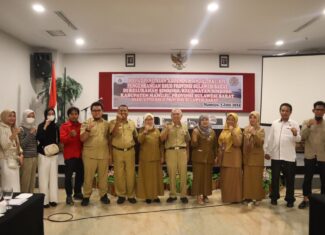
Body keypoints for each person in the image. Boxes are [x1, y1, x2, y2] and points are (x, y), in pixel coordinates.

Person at [265, 103, 301, 208]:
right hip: (276, 156)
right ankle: (274, 197)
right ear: (280, 111)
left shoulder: (294, 123)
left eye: (287, 111)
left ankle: (290, 200)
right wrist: (268, 151)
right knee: (275, 178)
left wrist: (295, 133)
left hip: (289, 157)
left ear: (290, 112)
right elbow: (270, 138)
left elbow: (298, 139)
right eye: (282, 110)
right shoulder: (275, 123)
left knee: (290, 180)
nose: (284, 112)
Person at [80, 102, 110, 206]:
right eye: (94, 110)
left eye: (99, 110)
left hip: (103, 154)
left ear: (102, 111)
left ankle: (103, 195)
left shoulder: (107, 124)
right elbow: (82, 139)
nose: (96, 112)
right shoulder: (86, 123)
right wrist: (88, 129)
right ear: (91, 112)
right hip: (89, 155)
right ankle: (86, 196)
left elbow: (109, 140)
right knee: (88, 177)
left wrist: (110, 155)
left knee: (103, 177)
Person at [160, 108, 191, 204]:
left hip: (182, 152)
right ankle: (172, 195)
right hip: (170, 152)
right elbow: (161, 139)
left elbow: (187, 141)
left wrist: (188, 153)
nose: (176, 116)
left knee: (183, 174)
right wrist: (167, 130)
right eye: (174, 114)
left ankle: (183, 195)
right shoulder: (167, 126)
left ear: (181, 116)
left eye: (178, 114)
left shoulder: (185, 126)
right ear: (171, 116)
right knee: (172, 174)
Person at [298, 101, 325, 209]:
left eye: (321, 110)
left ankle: (323, 200)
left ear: (324, 112)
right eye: (317, 109)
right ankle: (306, 199)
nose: (319, 111)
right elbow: (303, 137)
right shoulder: (306, 122)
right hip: (309, 156)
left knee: (324, 179)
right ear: (313, 110)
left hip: (323, 157)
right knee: (307, 179)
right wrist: (308, 126)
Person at [109, 104, 138, 204]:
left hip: (130, 151)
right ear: (117, 112)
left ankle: (131, 195)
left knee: (131, 174)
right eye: (121, 111)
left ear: (128, 112)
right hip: (117, 151)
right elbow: (113, 135)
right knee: (119, 174)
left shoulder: (132, 123)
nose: (123, 112)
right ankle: (121, 195)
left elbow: (136, 136)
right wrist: (118, 122)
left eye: (125, 110)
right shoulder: (112, 122)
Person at [136, 113, 164, 203]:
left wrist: (162, 156)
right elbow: (139, 140)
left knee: (156, 178)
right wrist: (145, 132)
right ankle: (148, 196)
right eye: (147, 119)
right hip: (145, 159)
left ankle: (155, 196)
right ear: (144, 121)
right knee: (147, 178)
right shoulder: (141, 130)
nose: (149, 121)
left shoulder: (157, 130)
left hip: (156, 158)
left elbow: (161, 145)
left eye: (151, 119)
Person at [191, 114, 218, 204]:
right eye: (203, 120)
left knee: (207, 177)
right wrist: (194, 139)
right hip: (198, 158)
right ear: (200, 121)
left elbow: (215, 146)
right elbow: (193, 145)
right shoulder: (196, 130)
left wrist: (216, 156)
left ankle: (205, 195)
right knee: (198, 178)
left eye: (206, 119)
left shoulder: (212, 132)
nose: (205, 121)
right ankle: (198, 196)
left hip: (209, 158)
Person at [36, 108, 60, 208]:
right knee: (43, 178)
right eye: (49, 113)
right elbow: (39, 138)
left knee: (54, 178)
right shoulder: (41, 125)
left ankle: (53, 199)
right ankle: (44, 201)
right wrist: (45, 127)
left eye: (52, 113)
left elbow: (58, 139)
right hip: (43, 155)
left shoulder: (56, 126)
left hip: (53, 156)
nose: (51, 115)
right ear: (45, 115)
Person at [60, 107, 83, 205]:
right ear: (68, 115)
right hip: (69, 156)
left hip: (80, 155)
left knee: (80, 175)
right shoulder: (64, 126)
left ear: (78, 115)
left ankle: (77, 193)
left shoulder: (82, 126)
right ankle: (69, 195)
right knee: (68, 177)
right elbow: (62, 140)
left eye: (76, 114)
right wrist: (70, 135)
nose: (74, 116)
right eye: (72, 114)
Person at [218, 112, 243, 203]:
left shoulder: (238, 130)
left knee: (234, 179)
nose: (230, 121)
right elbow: (220, 143)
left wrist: (232, 132)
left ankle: (235, 198)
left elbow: (238, 143)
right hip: (224, 156)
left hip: (234, 157)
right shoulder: (224, 130)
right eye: (228, 119)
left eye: (232, 120)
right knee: (226, 179)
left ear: (235, 120)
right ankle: (226, 198)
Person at [242, 111, 265, 206]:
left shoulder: (261, 130)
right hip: (247, 157)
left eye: (254, 117)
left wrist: (254, 133)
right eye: (250, 117)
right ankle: (248, 197)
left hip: (257, 158)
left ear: (258, 119)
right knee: (247, 178)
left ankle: (258, 197)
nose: (252, 119)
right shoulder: (245, 129)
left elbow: (260, 143)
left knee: (256, 178)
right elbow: (244, 144)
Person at [0, 109, 23, 192]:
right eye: (10, 116)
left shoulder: (12, 128)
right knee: (8, 186)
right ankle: (7, 204)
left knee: (15, 186)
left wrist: (21, 154)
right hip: (5, 161)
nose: (12, 118)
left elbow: (17, 145)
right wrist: (14, 134)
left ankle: (16, 204)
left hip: (14, 160)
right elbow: (5, 145)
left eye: (14, 116)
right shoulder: (1, 128)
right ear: (4, 116)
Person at [19, 109, 38, 193]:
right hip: (26, 158)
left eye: (33, 116)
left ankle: (30, 199)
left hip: (34, 156)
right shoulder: (21, 129)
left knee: (32, 181)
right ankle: (24, 200)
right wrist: (30, 134)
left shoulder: (34, 128)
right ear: (24, 117)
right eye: (29, 116)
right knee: (25, 181)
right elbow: (21, 145)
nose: (31, 118)